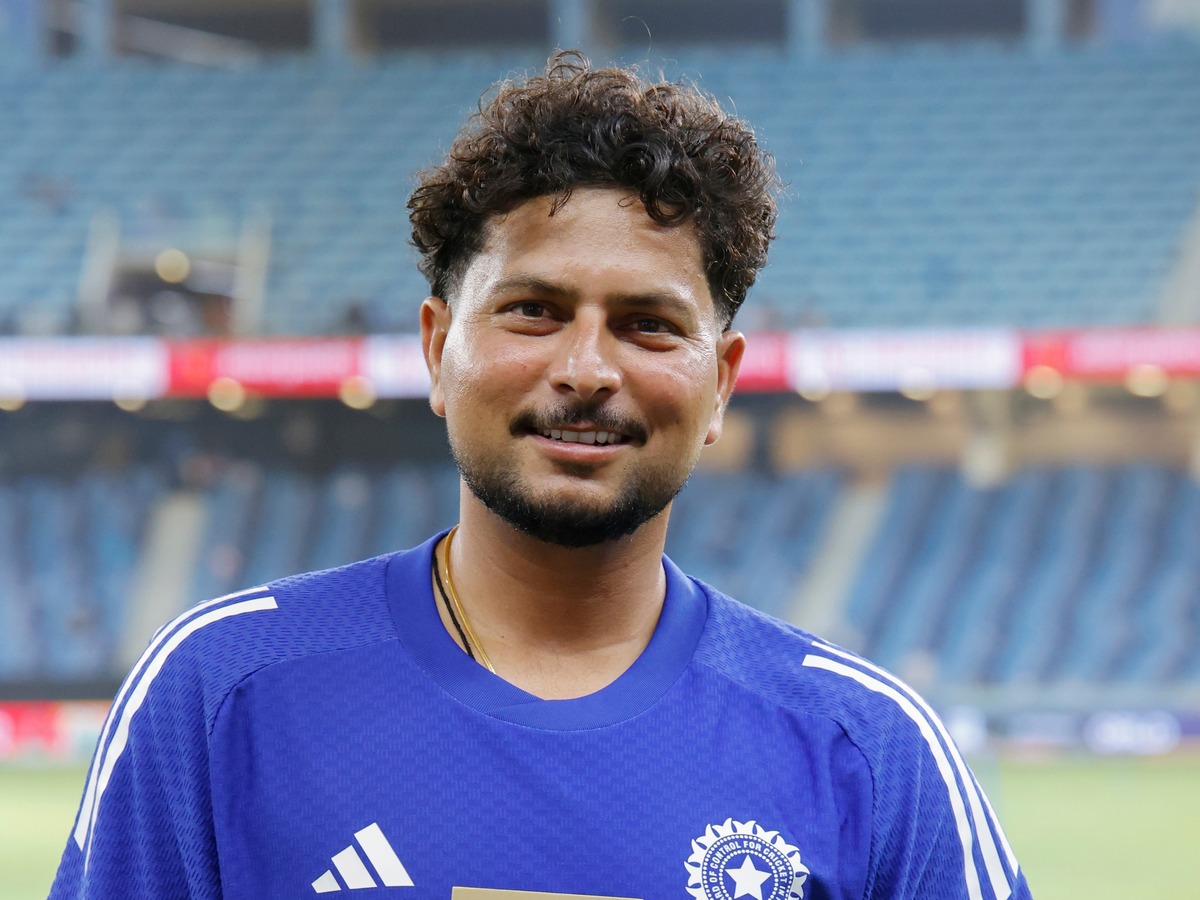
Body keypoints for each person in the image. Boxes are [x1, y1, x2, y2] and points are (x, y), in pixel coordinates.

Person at [52, 52, 1031, 899]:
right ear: (437, 351)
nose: (587, 369)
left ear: (722, 385)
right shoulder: (220, 693)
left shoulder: (867, 752)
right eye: (533, 311)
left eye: (649, 324)